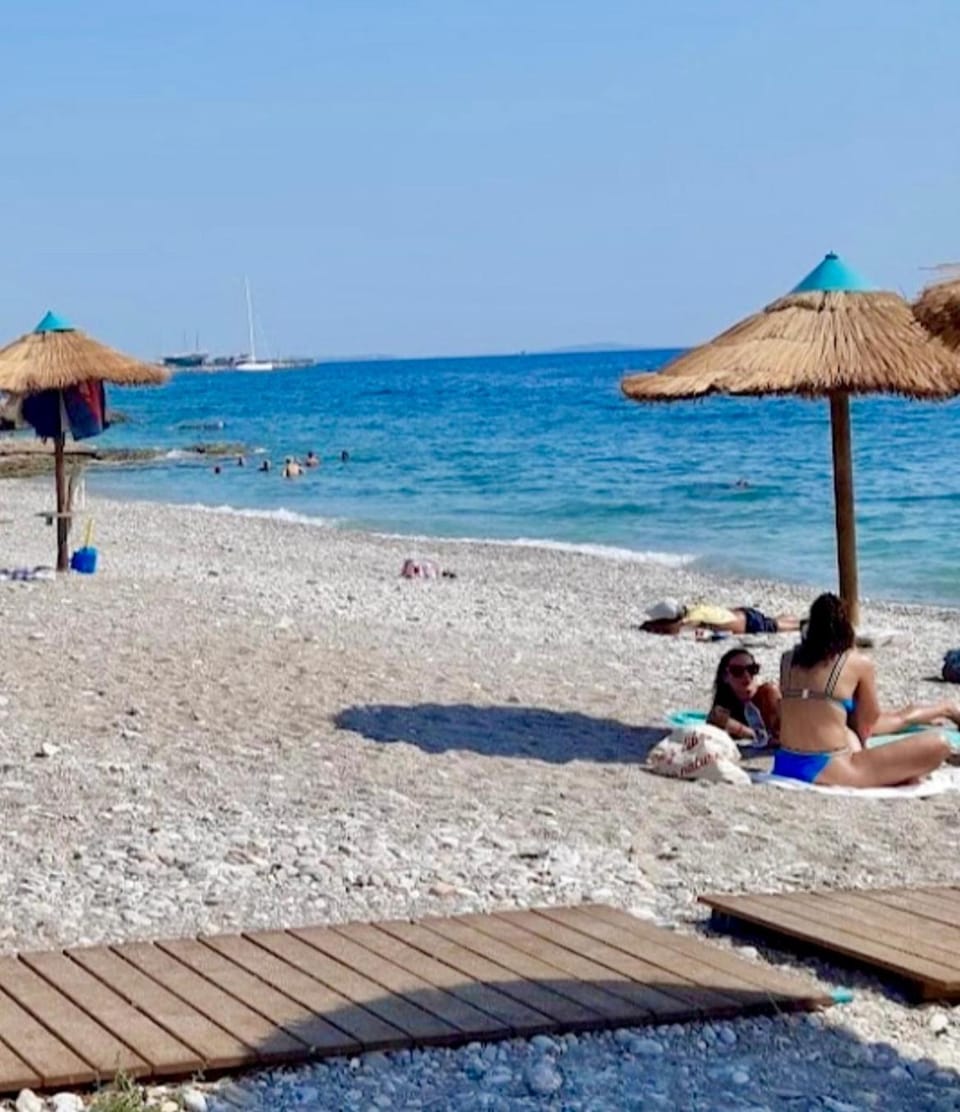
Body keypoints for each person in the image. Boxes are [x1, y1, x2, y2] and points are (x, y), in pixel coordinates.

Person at [774, 593, 949, 787]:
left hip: (785, 762)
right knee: (940, 743)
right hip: (828, 768)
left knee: (846, 730)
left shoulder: (787, 659)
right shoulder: (856, 663)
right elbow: (869, 719)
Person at [707, 648, 781, 746]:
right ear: (725, 676)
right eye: (737, 671)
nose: (746, 676)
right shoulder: (727, 707)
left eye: (751, 669)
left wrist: (742, 730)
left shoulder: (769, 694)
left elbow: (782, 737)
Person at [642, 598, 800, 637]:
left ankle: (801, 623)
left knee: (775, 626)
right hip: (741, 613)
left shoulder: (693, 619)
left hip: (748, 623)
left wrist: (650, 626)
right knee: (771, 621)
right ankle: (794, 618)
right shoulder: (693, 609)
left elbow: (674, 629)